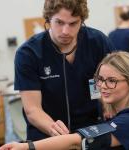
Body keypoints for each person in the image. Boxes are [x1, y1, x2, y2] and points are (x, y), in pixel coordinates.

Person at [0, 51, 129, 150]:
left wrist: (28, 147)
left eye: (111, 80)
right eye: (100, 79)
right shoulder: (118, 118)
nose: (103, 86)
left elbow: (77, 142)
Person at [14, 0, 114, 141]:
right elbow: (32, 110)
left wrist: (108, 104)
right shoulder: (29, 53)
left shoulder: (98, 43)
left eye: (73, 24)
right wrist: (55, 130)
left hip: (93, 130)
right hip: (48, 134)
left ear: (82, 21)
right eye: (59, 23)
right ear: (48, 19)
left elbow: (116, 84)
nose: (66, 31)